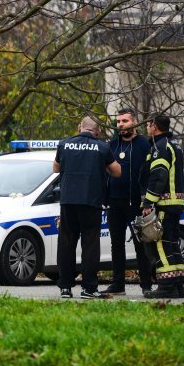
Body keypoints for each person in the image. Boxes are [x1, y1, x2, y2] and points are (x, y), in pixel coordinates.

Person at [53, 116, 121, 299]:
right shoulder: (102, 147)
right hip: (91, 201)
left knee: (66, 244)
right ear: (97, 131)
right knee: (90, 245)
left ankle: (65, 288)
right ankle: (89, 288)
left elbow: (56, 168)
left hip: (68, 201)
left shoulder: (64, 144)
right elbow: (117, 172)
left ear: (79, 128)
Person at [102, 108, 153, 296]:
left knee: (141, 243)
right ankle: (118, 284)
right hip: (114, 202)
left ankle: (146, 284)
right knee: (116, 244)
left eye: (125, 121)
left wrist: (147, 200)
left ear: (134, 122)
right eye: (118, 122)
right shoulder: (112, 145)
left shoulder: (144, 145)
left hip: (136, 203)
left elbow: (150, 174)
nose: (121, 125)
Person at [142, 114, 184, 299]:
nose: (147, 128)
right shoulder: (173, 145)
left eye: (148, 125)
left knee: (160, 244)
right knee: (172, 244)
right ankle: (177, 287)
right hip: (175, 204)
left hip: (164, 205)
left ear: (154, 126)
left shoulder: (160, 148)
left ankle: (166, 286)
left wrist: (148, 202)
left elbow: (158, 177)